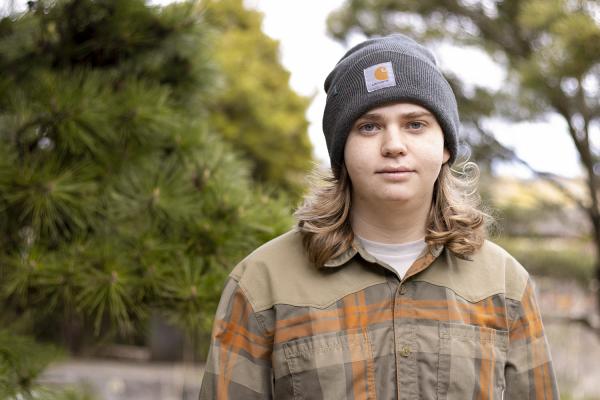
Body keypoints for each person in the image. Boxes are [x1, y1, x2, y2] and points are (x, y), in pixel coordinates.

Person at [199, 33, 559, 399]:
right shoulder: (262, 284)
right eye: (368, 126)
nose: (394, 146)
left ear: (446, 146)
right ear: (341, 150)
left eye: (415, 124)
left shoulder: (504, 284)